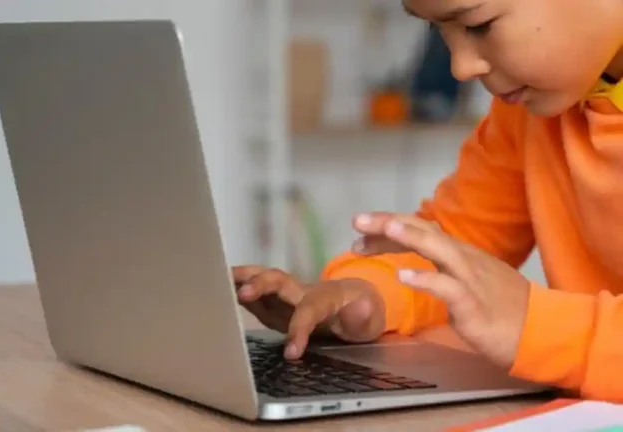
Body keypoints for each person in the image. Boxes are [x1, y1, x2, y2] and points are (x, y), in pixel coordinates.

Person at [232, 0, 623, 403]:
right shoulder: (530, 114)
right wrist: (364, 294)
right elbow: (455, 245)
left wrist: (533, 326)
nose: (461, 68)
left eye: (480, 25)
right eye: (439, 31)